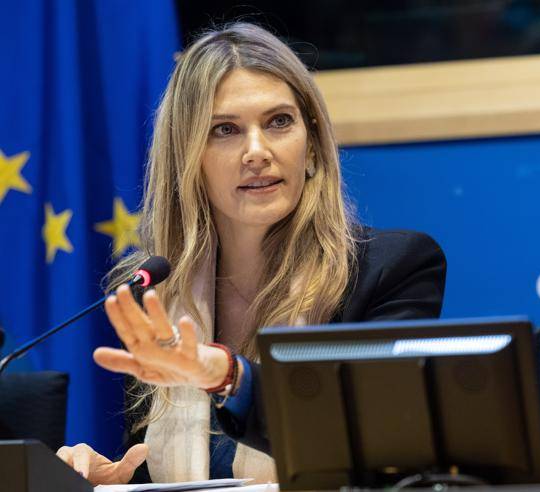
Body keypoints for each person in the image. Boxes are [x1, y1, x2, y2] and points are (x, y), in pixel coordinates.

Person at [56, 22, 447, 486]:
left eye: (279, 122)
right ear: (188, 158)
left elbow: (371, 444)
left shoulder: (388, 270)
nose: (257, 152)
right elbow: (183, 473)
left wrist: (228, 377)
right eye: (225, 130)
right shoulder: (157, 294)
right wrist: (118, 480)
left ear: (311, 144)